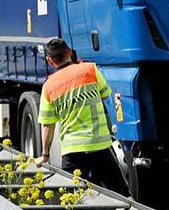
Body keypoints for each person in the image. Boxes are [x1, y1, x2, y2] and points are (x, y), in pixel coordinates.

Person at [34, 37, 129, 194]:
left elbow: (47, 125)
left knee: (71, 198)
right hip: (99, 145)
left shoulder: (48, 86)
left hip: (72, 150)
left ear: (50, 61)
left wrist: (44, 155)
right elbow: (105, 95)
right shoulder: (90, 69)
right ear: (70, 52)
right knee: (120, 195)